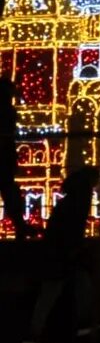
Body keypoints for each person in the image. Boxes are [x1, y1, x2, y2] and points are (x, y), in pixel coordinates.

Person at [22, 162, 100, 343]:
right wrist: (75, 248)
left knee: (76, 286)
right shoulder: (79, 202)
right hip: (62, 254)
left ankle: (82, 325)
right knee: (58, 291)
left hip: (60, 252)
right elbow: (71, 230)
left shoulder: (71, 199)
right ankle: (37, 333)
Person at [0, 76, 27, 238]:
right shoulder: (8, 111)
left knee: (8, 190)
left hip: (6, 156)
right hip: (5, 157)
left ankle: (20, 224)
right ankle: (20, 224)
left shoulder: (7, 111)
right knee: (9, 190)